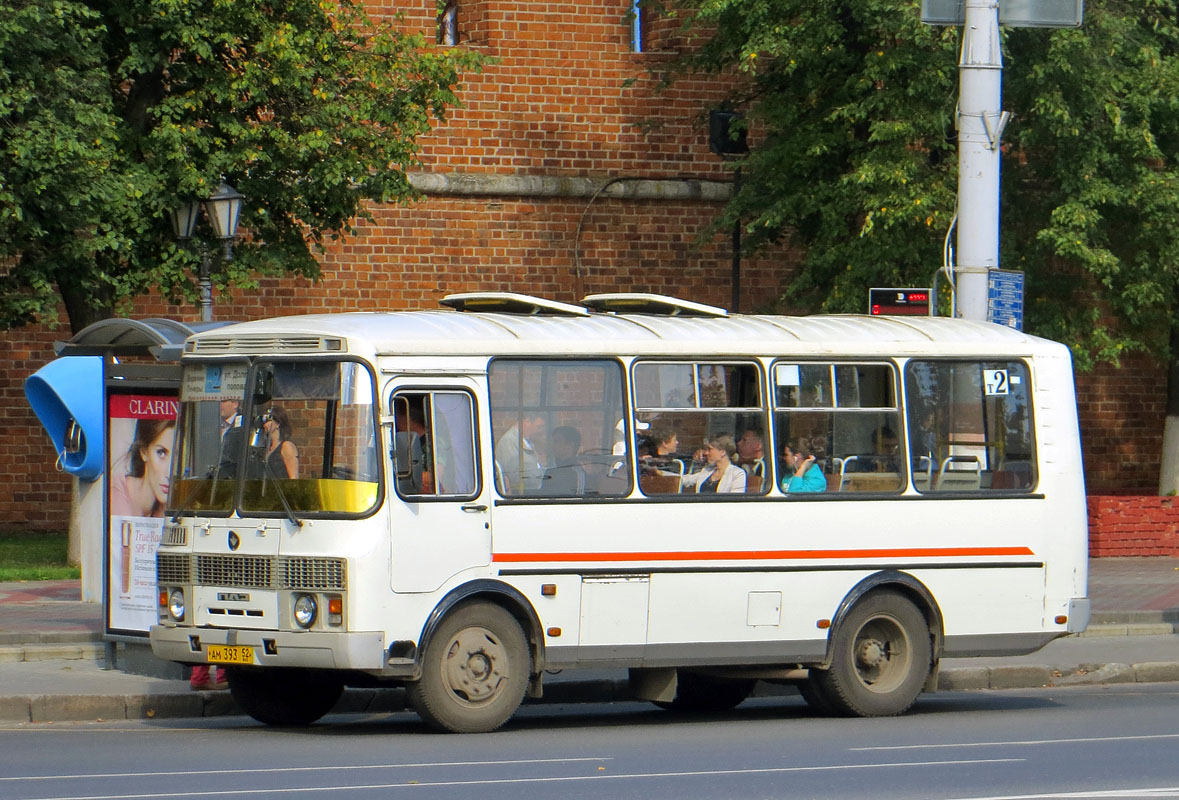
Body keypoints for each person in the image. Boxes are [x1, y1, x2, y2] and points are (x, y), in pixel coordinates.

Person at [110, 419, 176, 518]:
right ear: (144, 452)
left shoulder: (166, 506)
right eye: (161, 453)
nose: (170, 472)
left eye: (177, 457)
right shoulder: (115, 493)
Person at [496, 413, 546, 494]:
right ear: (527, 422)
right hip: (522, 495)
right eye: (539, 427)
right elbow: (514, 477)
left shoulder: (526, 441)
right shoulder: (509, 442)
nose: (540, 431)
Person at [680, 434, 747, 494]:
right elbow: (685, 480)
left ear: (722, 452)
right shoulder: (707, 470)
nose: (706, 453)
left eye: (710, 449)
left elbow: (735, 501)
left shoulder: (737, 474)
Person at [543, 426, 586, 495]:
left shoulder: (577, 474)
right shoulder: (550, 472)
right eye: (553, 441)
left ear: (570, 446)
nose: (552, 445)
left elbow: (578, 500)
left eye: (557, 441)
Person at [262, 405, 299, 479]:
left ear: (278, 423)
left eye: (268, 421)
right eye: (264, 421)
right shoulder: (266, 447)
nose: (265, 424)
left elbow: (293, 477)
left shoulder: (286, 446)